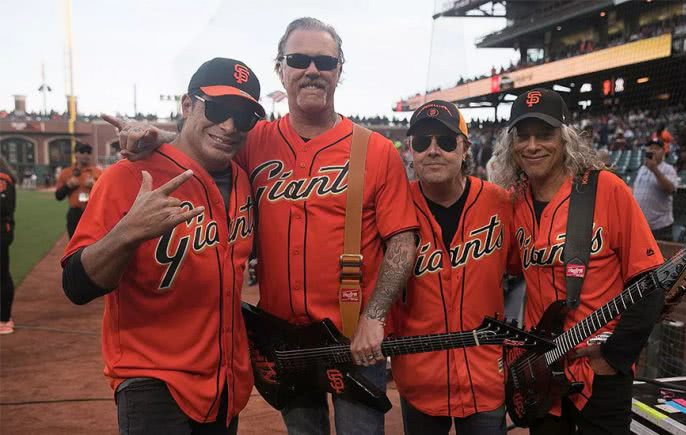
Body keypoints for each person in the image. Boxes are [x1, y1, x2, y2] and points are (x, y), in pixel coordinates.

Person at [106, 18, 418, 435]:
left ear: (339, 70)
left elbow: (402, 239)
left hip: (354, 337)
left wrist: (376, 316)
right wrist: (156, 136)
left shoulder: (375, 149)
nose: (312, 69)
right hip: (284, 341)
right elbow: (202, 139)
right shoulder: (254, 141)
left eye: (324, 61)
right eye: (299, 59)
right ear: (281, 68)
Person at [61, 57, 265, 434]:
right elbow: (75, 285)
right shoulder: (128, 177)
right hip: (152, 383)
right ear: (187, 106)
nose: (229, 126)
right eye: (218, 109)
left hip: (225, 383)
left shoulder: (244, 180)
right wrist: (127, 232)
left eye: (243, 117)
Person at [493, 89, 665, 434]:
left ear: (566, 138)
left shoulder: (607, 189)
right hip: (542, 371)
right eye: (522, 136)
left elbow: (651, 281)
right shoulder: (515, 203)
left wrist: (614, 358)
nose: (532, 145)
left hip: (598, 372)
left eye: (544, 134)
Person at [389, 101, 513, 435]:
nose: (433, 151)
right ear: (411, 150)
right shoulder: (395, 205)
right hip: (420, 379)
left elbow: (526, 272)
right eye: (421, 142)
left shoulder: (500, 203)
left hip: (485, 377)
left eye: (445, 141)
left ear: (465, 147)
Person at [633, 139, 679, 241]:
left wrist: (654, 169)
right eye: (650, 148)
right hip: (641, 226)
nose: (652, 151)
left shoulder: (668, 168)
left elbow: (671, 190)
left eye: (656, 148)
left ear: (663, 152)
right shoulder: (642, 169)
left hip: (660, 227)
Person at [54, 142, 103, 237]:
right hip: (74, 214)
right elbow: (58, 196)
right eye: (82, 151)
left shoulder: (98, 172)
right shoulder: (66, 172)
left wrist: (94, 186)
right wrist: (68, 186)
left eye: (88, 152)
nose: (86, 155)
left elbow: (106, 196)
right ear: (75, 154)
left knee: (93, 245)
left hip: (93, 213)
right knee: (74, 247)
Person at [0, 156, 17, 335]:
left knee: (2, 275)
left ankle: (5, 318)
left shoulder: (4, 179)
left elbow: (5, 206)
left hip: (1, 232)